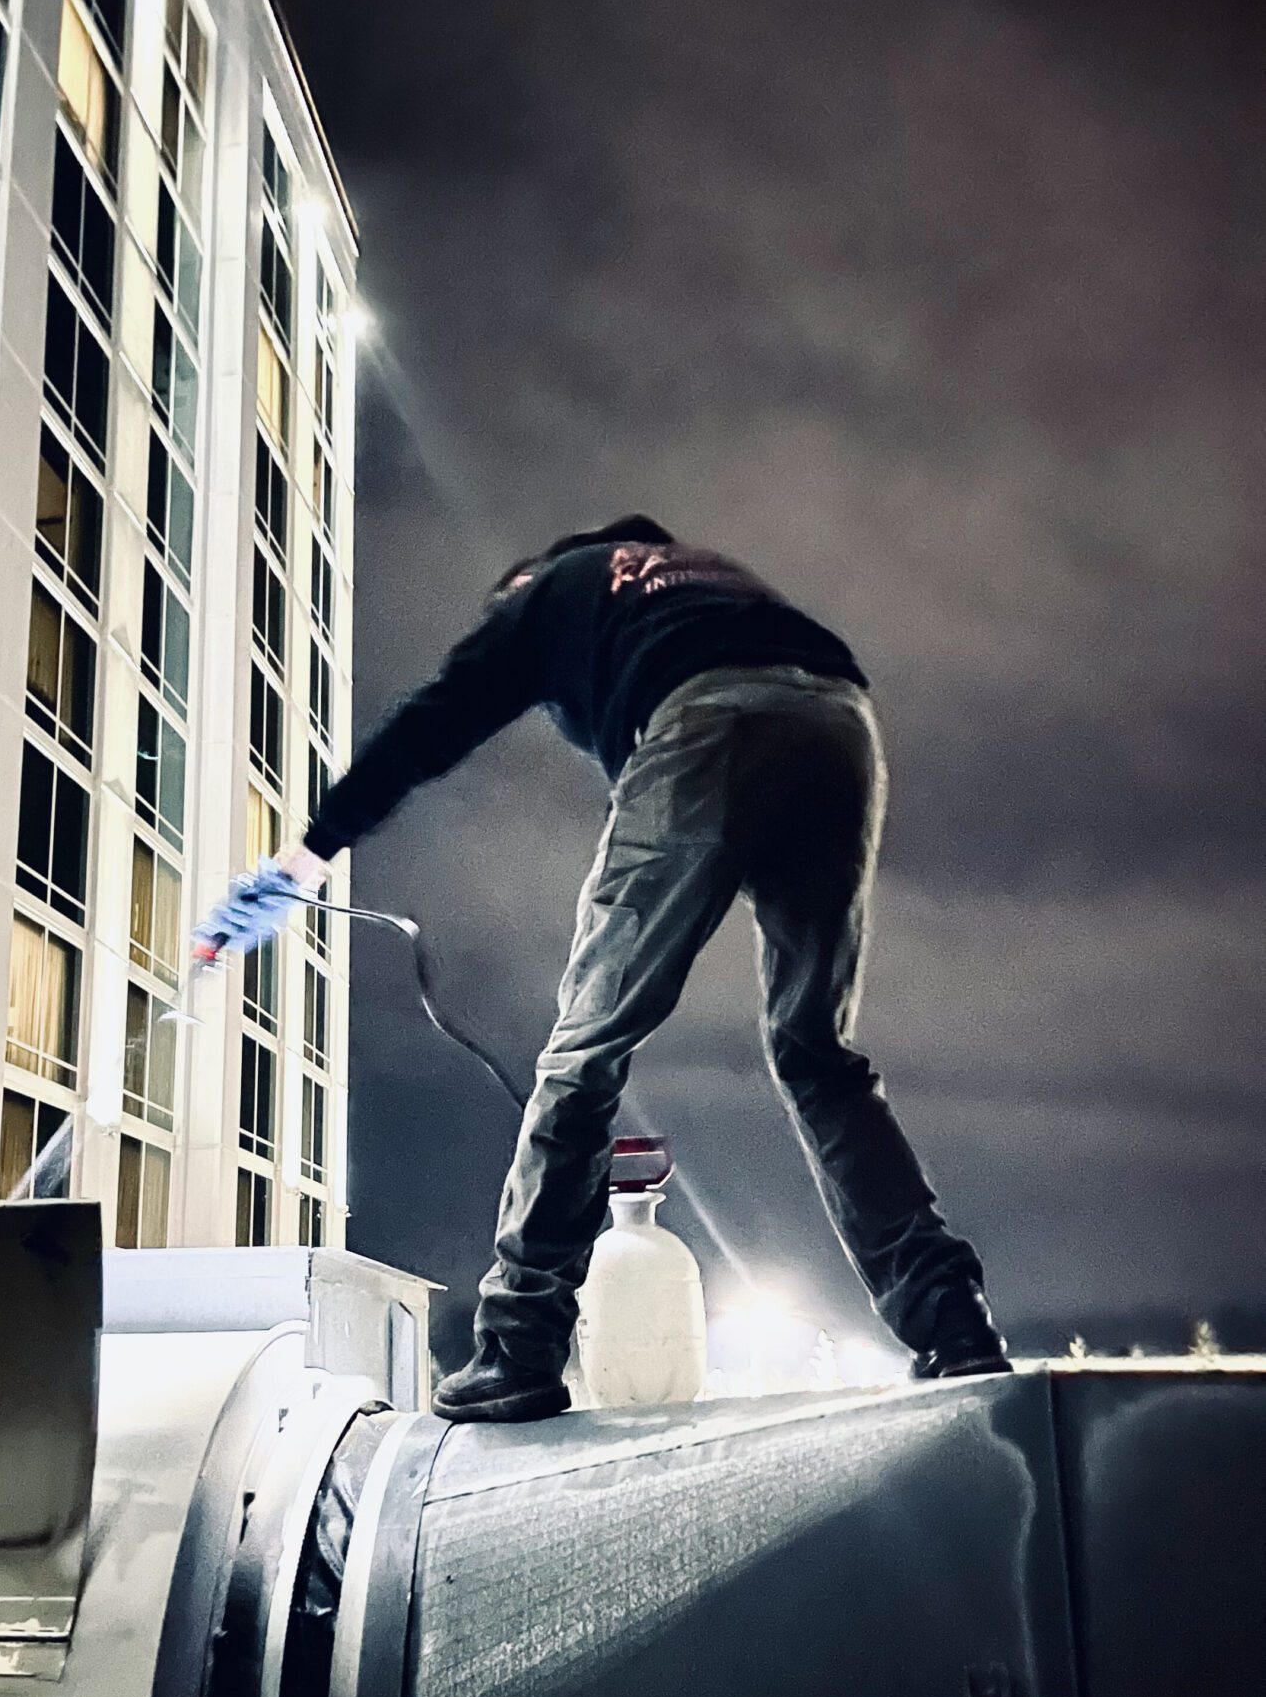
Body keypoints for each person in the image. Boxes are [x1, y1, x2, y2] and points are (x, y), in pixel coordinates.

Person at [199, 516, 1010, 1423]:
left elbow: (430, 727)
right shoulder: (703, 572)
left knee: (585, 1046)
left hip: (704, 724)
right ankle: (956, 1328)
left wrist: (299, 863)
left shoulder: (543, 594)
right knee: (816, 1051)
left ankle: (518, 1345)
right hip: (837, 721)